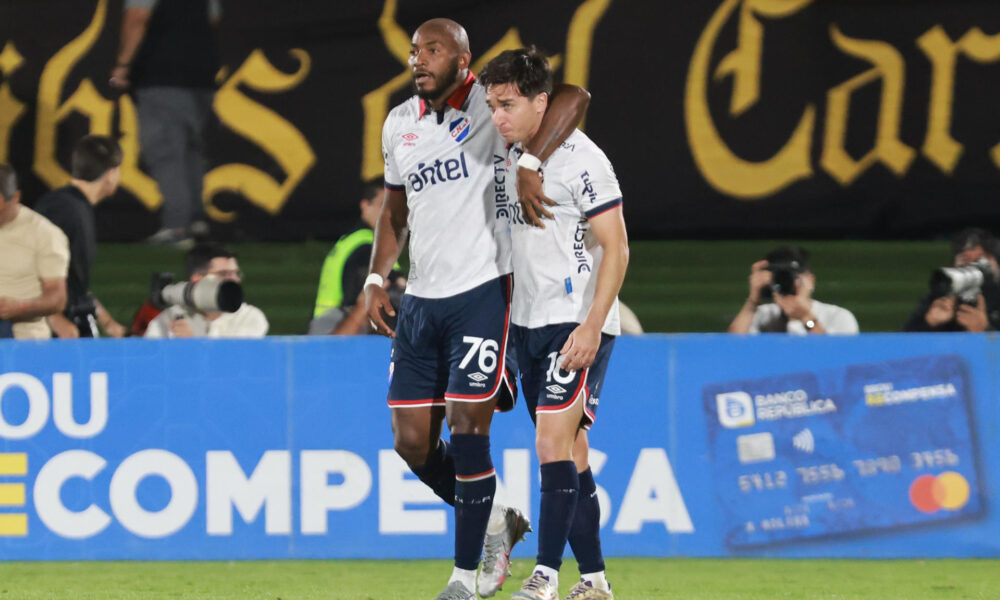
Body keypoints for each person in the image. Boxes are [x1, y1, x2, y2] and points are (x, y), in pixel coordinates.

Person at [365, 18, 590, 600]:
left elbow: (572, 97)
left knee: (469, 425)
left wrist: (533, 161)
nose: (419, 59)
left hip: (483, 291)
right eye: (415, 50)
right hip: (421, 298)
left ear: (463, 58)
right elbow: (395, 212)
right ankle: (496, 520)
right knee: (411, 440)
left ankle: (464, 578)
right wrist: (375, 275)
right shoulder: (397, 125)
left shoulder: (494, 109)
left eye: (433, 50)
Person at [481, 47, 626, 600]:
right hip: (527, 322)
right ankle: (595, 582)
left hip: (576, 320)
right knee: (573, 453)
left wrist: (592, 326)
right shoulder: (509, 152)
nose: (498, 116)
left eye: (508, 105)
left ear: (542, 103)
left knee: (550, 444)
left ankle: (544, 576)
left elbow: (618, 248)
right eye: (493, 105)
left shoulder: (584, 160)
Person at [110, 0, 221, 246]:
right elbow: (212, 20)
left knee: (167, 152)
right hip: (201, 76)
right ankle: (195, 222)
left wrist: (124, 65)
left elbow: (138, 18)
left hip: (162, 75)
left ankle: (177, 227)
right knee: (190, 151)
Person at [35, 136, 128, 339]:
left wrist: (109, 324)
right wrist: (54, 319)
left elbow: (74, 285)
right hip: (44, 332)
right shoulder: (66, 209)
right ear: (111, 174)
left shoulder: (72, 205)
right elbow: (28, 263)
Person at [308, 179, 404, 335]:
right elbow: (368, 295)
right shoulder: (365, 246)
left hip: (328, 329)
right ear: (365, 207)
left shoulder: (356, 242)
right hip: (336, 328)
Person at [0, 164, 70, 340]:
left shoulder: (45, 235)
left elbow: (57, 297)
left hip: (20, 340)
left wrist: (22, 307)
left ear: (15, 197)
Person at [145, 243, 268, 338]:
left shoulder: (249, 317)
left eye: (236, 273)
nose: (235, 279)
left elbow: (237, 363)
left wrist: (194, 344)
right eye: (224, 273)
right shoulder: (169, 318)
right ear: (198, 279)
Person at [728, 245, 859, 335]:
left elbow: (837, 359)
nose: (789, 282)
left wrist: (805, 318)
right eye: (780, 277)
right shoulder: (762, 315)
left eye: (793, 277)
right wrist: (753, 301)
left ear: (811, 281)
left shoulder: (838, 316)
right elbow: (731, 349)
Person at [903, 228, 1000, 332]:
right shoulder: (942, 299)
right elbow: (902, 344)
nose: (973, 269)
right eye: (966, 261)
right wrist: (928, 324)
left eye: (980, 262)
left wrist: (985, 331)